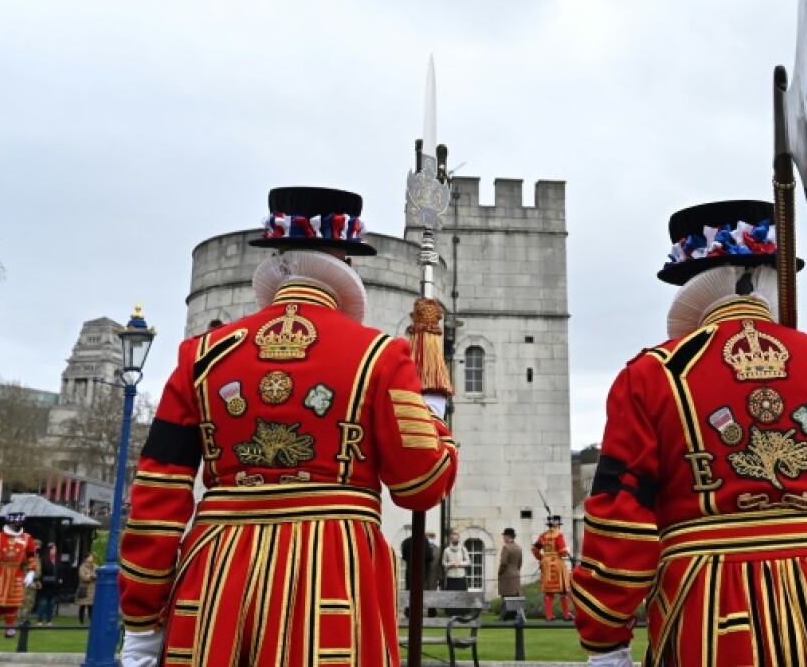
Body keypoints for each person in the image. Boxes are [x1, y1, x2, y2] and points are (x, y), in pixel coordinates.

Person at [571, 199, 807, 666]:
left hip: (710, 602)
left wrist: (605, 639)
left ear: (692, 283)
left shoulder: (651, 375)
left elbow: (621, 520)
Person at [118, 186, 458, 667]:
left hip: (217, 580)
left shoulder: (201, 356)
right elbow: (420, 484)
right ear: (346, 261)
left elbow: (156, 497)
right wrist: (433, 414)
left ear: (276, 256)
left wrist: (141, 623)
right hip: (335, 573)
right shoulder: (381, 355)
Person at [0, 511, 37, 639]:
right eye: (16, 522)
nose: (18, 524)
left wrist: (31, 571)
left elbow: (31, 556)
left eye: (20, 522)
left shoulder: (27, 538)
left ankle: (10, 628)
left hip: (16, 573)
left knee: (13, 603)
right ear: (10, 522)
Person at [531, 516, 573, 621]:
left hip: (546, 565)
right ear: (557, 525)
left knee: (549, 592)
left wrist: (542, 558)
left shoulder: (542, 536)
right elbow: (562, 551)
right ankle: (566, 615)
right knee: (563, 590)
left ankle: (549, 616)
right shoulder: (559, 535)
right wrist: (567, 550)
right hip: (557, 564)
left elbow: (534, 549)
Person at [35, 542, 60, 626]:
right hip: (45, 584)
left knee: (51, 604)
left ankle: (49, 620)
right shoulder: (43, 559)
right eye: (53, 549)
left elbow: (59, 571)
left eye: (55, 549)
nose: (54, 550)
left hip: (54, 585)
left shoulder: (57, 560)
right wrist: (39, 581)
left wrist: (59, 579)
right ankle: (39, 620)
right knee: (43, 603)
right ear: (49, 550)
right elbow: (41, 571)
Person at [497, 528, 522, 605]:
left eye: (504, 536)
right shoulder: (519, 548)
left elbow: (503, 563)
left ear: (508, 537)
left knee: (506, 599)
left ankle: (507, 612)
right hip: (516, 575)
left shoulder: (506, 547)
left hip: (507, 576)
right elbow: (520, 563)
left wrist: (500, 572)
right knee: (515, 599)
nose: (503, 538)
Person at [75, 552, 96, 625]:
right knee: (82, 606)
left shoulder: (95, 566)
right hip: (84, 590)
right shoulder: (82, 567)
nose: (92, 558)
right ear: (86, 558)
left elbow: (98, 575)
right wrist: (91, 577)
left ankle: (92, 622)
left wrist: (90, 575)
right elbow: (83, 577)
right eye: (90, 556)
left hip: (93, 590)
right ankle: (81, 622)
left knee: (91, 607)